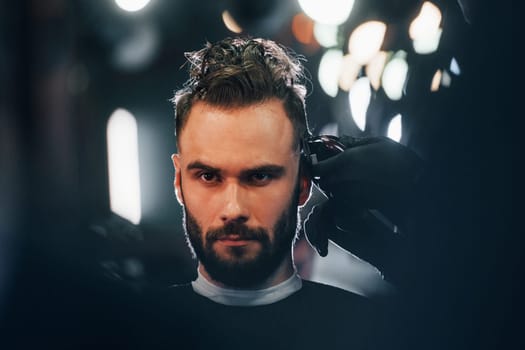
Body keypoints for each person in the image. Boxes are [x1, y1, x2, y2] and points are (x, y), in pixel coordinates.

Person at [137, 37, 396, 350]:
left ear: (302, 183)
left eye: (259, 176)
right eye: (208, 176)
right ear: (179, 181)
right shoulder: (126, 332)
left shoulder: (371, 335)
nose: (233, 209)